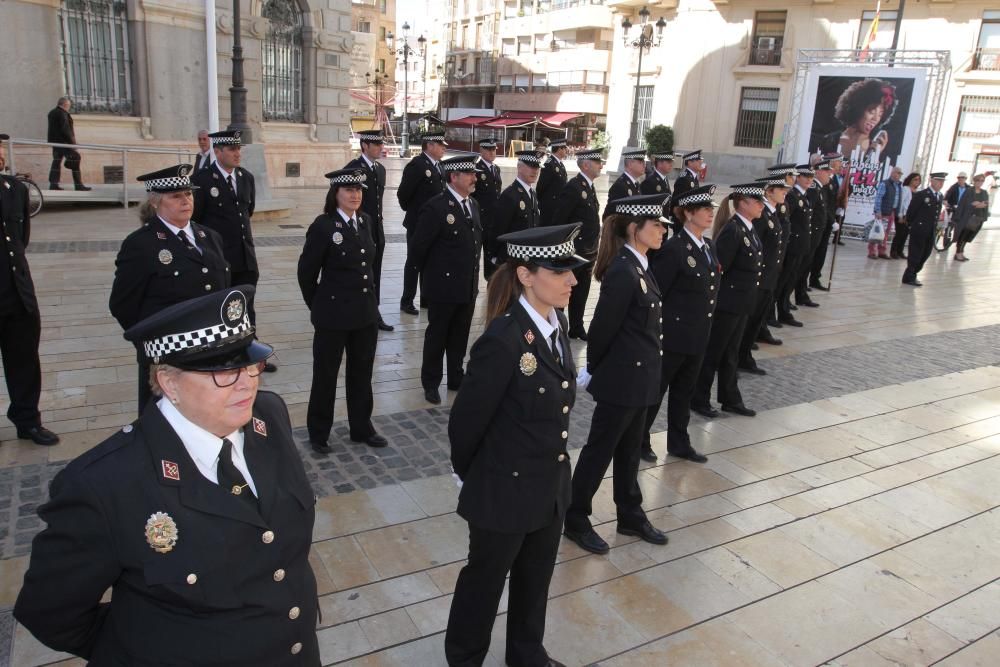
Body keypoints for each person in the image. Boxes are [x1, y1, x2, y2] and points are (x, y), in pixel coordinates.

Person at [15, 286, 320, 665]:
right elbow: (49, 613)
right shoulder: (105, 485)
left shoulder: (268, 417)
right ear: (168, 383)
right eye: (224, 371)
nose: (247, 382)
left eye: (251, 364)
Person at [444, 223, 587, 667]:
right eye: (560, 270)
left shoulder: (553, 323)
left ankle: (527, 655)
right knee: (484, 583)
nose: (573, 280)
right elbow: (465, 425)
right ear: (526, 275)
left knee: (535, 579)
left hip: (547, 487)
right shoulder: (502, 341)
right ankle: (465, 658)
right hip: (503, 492)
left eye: (571, 270)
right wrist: (482, 479)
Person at [563, 194, 668, 556]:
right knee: (599, 451)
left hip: (639, 378)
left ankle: (629, 511)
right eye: (656, 224)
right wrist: (594, 370)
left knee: (628, 452)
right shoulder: (624, 270)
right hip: (622, 380)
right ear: (634, 228)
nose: (662, 230)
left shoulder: (639, 264)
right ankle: (575, 517)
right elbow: (603, 329)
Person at [110, 164, 231, 413]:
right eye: (175, 196)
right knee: (164, 422)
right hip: (168, 357)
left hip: (210, 351)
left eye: (188, 194)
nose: (185, 200)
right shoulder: (141, 245)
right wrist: (153, 345)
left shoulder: (210, 237)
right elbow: (123, 304)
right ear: (155, 202)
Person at [298, 169, 388, 453]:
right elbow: (306, 273)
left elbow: (369, 267)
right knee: (325, 374)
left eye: (358, 190)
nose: (355, 195)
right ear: (335, 194)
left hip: (364, 314)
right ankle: (319, 432)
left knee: (361, 372)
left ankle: (361, 427)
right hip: (333, 316)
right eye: (348, 190)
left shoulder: (365, 221)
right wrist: (320, 306)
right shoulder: (324, 226)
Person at [640, 185, 719, 464]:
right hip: (672, 337)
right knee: (656, 391)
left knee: (684, 393)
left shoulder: (707, 246)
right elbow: (657, 294)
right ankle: (640, 440)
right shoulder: (673, 249)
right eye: (704, 209)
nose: (711, 213)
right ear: (687, 213)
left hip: (697, 336)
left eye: (711, 209)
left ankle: (679, 442)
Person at [191, 131, 268, 374]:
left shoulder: (246, 177)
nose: (238, 153)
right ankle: (223, 356)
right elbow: (197, 221)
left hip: (245, 256)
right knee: (222, 308)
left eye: (239, 149)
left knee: (248, 305)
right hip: (220, 259)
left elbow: (248, 212)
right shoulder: (202, 180)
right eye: (232, 149)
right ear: (218, 151)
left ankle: (250, 352)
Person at [0, 134, 60, 446]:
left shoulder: (16, 189)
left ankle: (28, 420)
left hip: (17, 291)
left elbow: (20, 239)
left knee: (24, 360)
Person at [410, 155, 483, 405]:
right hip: (443, 288)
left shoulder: (472, 205)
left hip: (467, 286)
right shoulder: (436, 207)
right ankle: (430, 382)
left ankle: (455, 376)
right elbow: (419, 250)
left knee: (460, 335)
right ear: (454, 177)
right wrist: (431, 283)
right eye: (469, 174)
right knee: (437, 336)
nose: (475, 178)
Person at [691, 184, 765, 420]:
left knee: (730, 353)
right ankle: (699, 398)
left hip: (740, 304)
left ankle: (730, 398)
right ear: (743, 203)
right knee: (713, 353)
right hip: (727, 305)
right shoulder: (733, 231)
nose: (762, 205)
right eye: (757, 201)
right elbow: (719, 271)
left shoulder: (748, 229)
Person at [549, 148, 604, 341]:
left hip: (589, 252)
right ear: (586, 164)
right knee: (564, 293)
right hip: (574, 253)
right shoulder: (573, 187)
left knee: (581, 293)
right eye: (598, 162)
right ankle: (557, 328)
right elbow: (560, 220)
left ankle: (577, 327)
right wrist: (564, 250)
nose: (601, 165)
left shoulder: (588, 186)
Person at [738, 177, 790, 376]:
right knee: (748, 323)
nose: (784, 192)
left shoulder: (771, 214)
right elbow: (755, 248)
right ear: (769, 192)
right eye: (781, 189)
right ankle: (740, 357)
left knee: (756, 321)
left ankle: (745, 355)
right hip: (759, 279)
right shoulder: (762, 216)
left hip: (769, 277)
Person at [345, 129, 393, 331]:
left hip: (376, 230)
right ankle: (354, 309)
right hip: (359, 231)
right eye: (377, 144)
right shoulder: (353, 169)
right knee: (358, 271)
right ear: (365, 146)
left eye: (381, 144)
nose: (381, 148)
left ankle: (374, 310)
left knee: (376, 271)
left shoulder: (380, 170)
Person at [398, 131, 448, 315]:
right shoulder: (417, 165)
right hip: (418, 224)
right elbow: (403, 194)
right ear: (429, 146)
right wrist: (415, 214)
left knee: (431, 262)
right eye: (440, 144)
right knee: (414, 262)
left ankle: (426, 298)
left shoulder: (439, 166)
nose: (444, 148)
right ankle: (407, 300)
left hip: (435, 224)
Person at [817, 78, 896, 160]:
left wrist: (874, 155)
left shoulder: (878, 147)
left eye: (880, 114)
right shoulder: (830, 140)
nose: (876, 118)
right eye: (871, 111)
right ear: (858, 109)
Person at [488, 150, 543, 266]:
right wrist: (496, 257)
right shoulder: (510, 195)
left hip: (529, 257)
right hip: (512, 259)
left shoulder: (532, 193)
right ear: (519, 167)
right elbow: (498, 230)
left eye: (537, 167)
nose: (535, 171)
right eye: (531, 166)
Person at [775, 167, 814, 328]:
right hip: (791, 247)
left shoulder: (801, 196)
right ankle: (775, 312)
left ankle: (784, 308)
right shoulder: (792, 196)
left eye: (810, 177)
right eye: (804, 176)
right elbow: (784, 223)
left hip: (800, 246)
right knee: (782, 281)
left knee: (790, 280)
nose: (808, 179)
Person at [902, 172, 946, 287]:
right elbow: (911, 212)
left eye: (942, 181)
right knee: (915, 253)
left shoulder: (939, 196)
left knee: (925, 253)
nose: (941, 183)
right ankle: (909, 276)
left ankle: (914, 273)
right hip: (920, 229)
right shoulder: (922, 194)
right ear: (932, 181)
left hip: (931, 231)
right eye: (939, 181)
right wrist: (913, 225)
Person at [795, 160, 829, 309]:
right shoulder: (814, 189)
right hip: (808, 236)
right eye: (827, 172)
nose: (830, 175)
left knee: (804, 267)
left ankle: (801, 294)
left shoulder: (818, 189)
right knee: (800, 269)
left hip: (813, 236)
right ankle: (799, 294)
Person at [808, 153, 843, 290]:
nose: (840, 165)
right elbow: (824, 204)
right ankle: (807, 280)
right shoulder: (820, 184)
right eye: (839, 162)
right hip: (822, 220)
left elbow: (832, 202)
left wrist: (840, 208)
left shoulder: (834, 180)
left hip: (826, 220)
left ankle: (815, 277)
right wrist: (832, 219)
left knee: (821, 252)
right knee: (814, 253)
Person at [471, 138, 503, 280]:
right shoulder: (476, 169)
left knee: (491, 256)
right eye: (488, 149)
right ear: (481, 150)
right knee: (475, 256)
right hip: (480, 220)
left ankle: (491, 283)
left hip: (493, 221)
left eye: (494, 149)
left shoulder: (496, 169)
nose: (492, 152)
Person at [46, 96, 91, 191]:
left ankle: (53, 184)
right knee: (76, 158)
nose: (69, 107)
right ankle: (78, 185)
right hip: (64, 143)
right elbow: (66, 130)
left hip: (55, 143)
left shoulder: (52, 112)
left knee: (56, 162)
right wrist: (72, 143)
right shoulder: (62, 113)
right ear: (65, 105)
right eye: (69, 105)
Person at [869, 166, 904, 259]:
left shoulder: (899, 185)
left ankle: (882, 251)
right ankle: (872, 251)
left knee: (886, 233)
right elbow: (878, 198)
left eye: (900, 174)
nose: (899, 175)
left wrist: (898, 212)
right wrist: (877, 211)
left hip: (892, 212)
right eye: (898, 173)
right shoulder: (885, 184)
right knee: (877, 231)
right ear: (892, 173)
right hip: (883, 212)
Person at [953, 173, 989, 262]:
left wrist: (978, 204)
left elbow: (986, 204)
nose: (980, 182)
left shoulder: (984, 192)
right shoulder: (969, 191)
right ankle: (958, 253)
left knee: (967, 237)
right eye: (978, 180)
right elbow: (964, 203)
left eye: (982, 181)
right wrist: (975, 204)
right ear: (974, 181)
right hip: (966, 218)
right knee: (962, 235)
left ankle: (961, 253)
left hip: (977, 219)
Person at [602, 149, 646, 219]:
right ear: (630, 164)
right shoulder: (620, 186)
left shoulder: (635, 184)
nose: (644, 165)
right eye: (641, 162)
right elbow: (610, 216)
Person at [669, 149, 703, 234]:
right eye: (698, 160)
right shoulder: (684, 179)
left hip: (690, 218)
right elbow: (677, 201)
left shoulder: (693, 178)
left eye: (700, 160)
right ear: (690, 163)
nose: (700, 162)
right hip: (682, 220)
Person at [536, 138, 569, 226]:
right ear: (559, 149)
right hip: (549, 207)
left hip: (557, 206)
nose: (567, 150)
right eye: (565, 148)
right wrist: (544, 203)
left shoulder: (560, 164)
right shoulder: (549, 164)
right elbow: (540, 187)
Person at [891, 172, 921, 259]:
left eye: (919, 180)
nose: (917, 181)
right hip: (903, 215)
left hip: (911, 217)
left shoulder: (917, 192)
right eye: (915, 179)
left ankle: (900, 251)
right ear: (910, 180)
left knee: (905, 235)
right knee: (899, 234)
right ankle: (894, 251)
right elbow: (901, 203)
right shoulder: (905, 189)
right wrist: (900, 215)